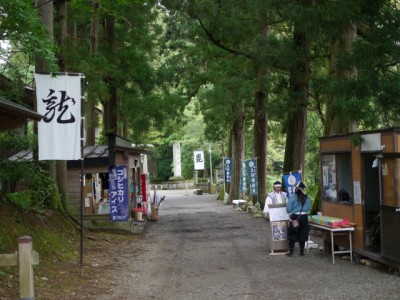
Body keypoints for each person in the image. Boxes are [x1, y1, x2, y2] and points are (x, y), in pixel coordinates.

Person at [286, 181, 311, 256]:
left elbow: (288, 209)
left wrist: (292, 211)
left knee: (292, 233)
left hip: (295, 217)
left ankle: (291, 252)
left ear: (296, 188)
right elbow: (308, 208)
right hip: (304, 217)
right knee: (303, 233)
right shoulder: (307, 197)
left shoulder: (292, 197)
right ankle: (301, 252)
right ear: (303, 189)